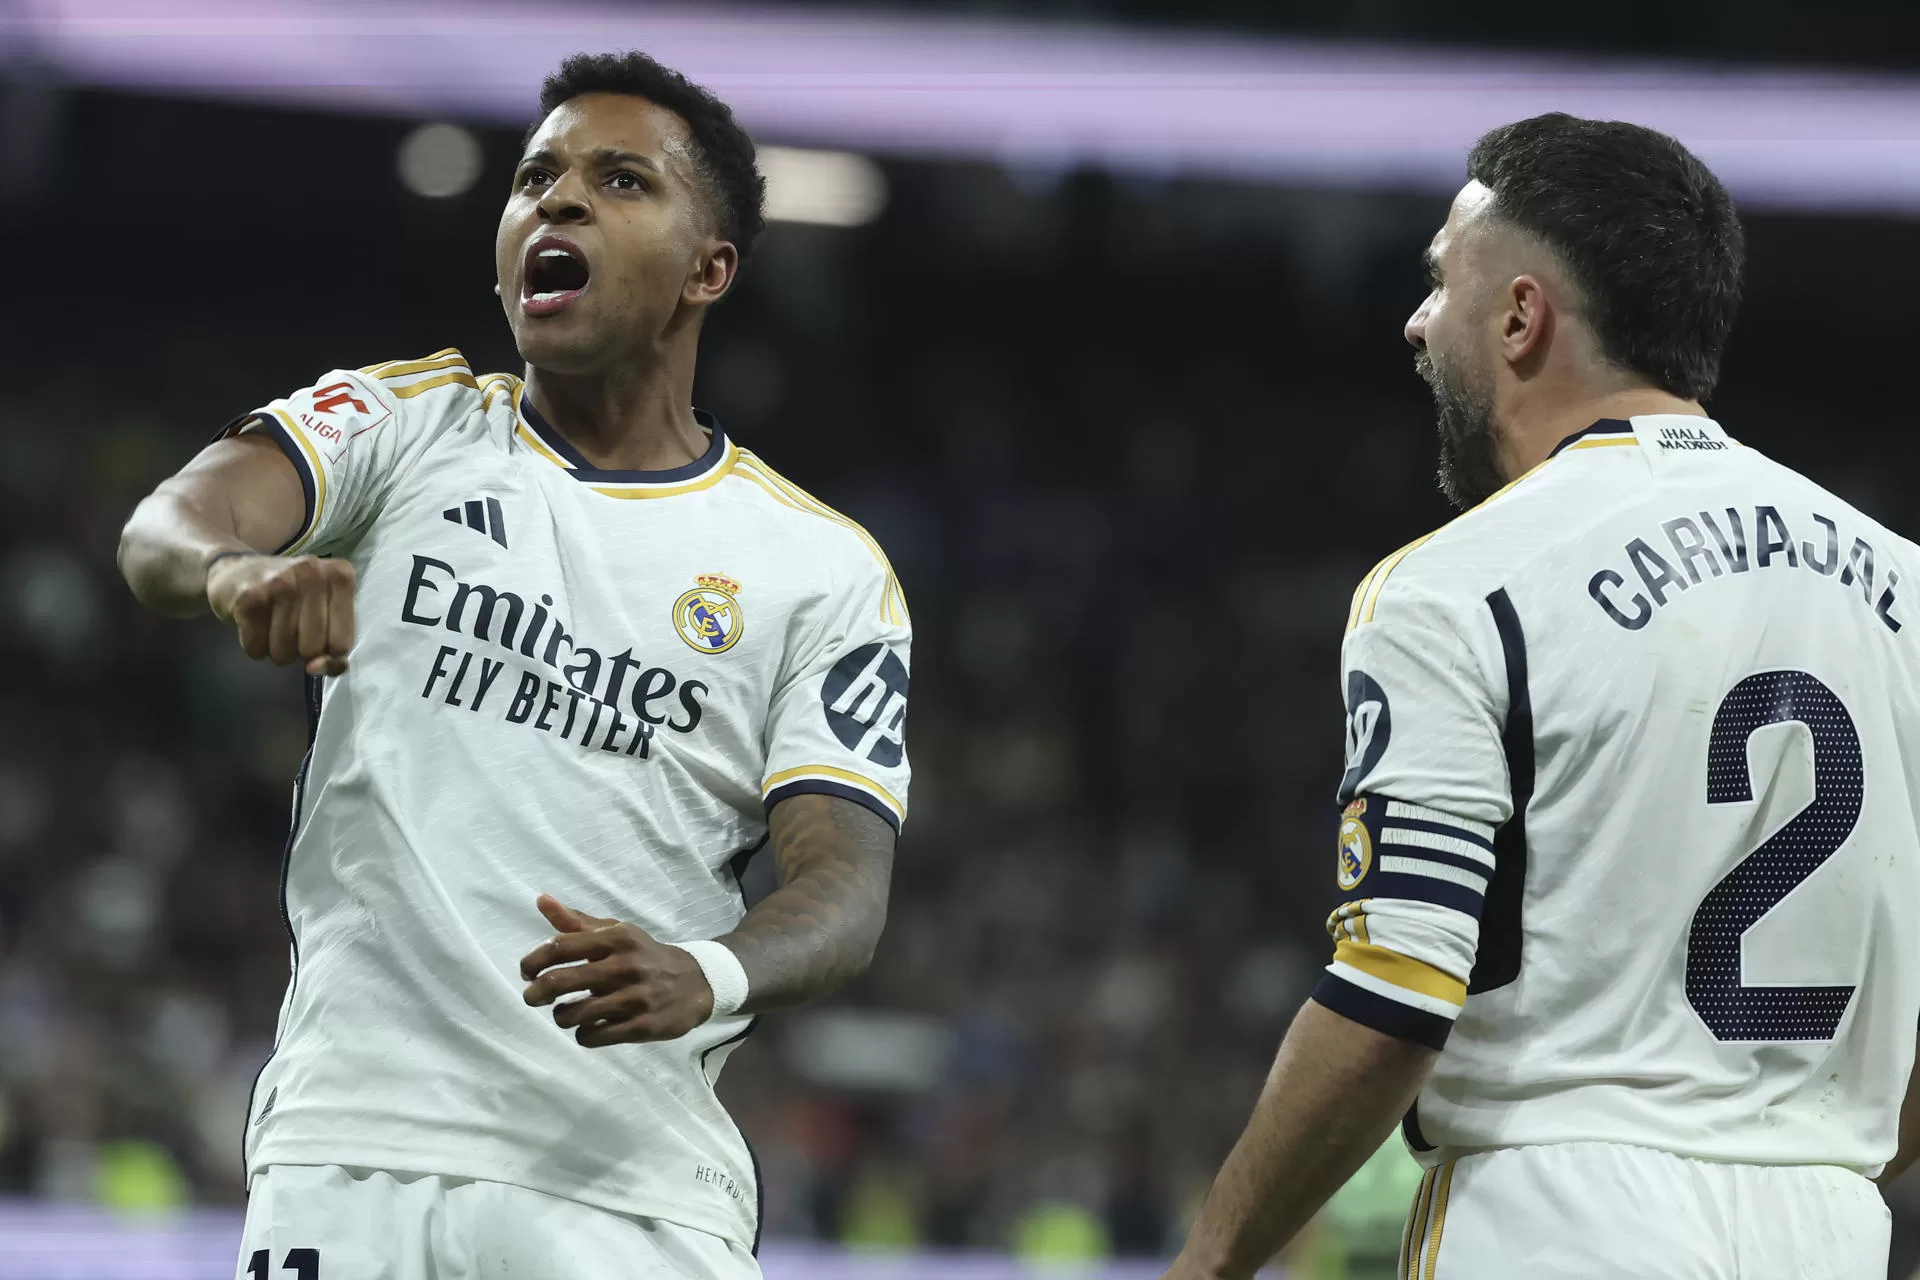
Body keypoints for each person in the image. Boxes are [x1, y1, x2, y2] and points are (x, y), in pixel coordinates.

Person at [118, 51, 912, 1279]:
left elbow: (846, 887)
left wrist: (706, 972)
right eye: (536, 176)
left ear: (711, 270)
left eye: (621, 180)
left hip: (630, 1188)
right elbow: (164, 527)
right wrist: (237, 575)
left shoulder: (820, 568)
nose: (560, 200)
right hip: (352, 1148)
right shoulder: (406, 425)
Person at [1164, 112, 1920, 1279]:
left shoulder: (1457, 584)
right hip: (1831, 1226)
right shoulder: (1904, 586)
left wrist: (1207, 1261)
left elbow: (1392, 994)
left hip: (1557, 1216)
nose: (1418, 320)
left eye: (1437, 282)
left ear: (1520, 316)